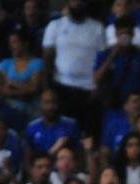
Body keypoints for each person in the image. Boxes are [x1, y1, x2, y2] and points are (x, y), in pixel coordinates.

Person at [42, 0, 105, 136]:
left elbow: (102, 60)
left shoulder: (97, 27)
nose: (77, 3)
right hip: (62, 88)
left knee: (88, 135)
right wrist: (48, 87)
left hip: (88, 91)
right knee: (65, 135)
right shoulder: (55, 25)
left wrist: (97, 85)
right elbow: (47, 57)